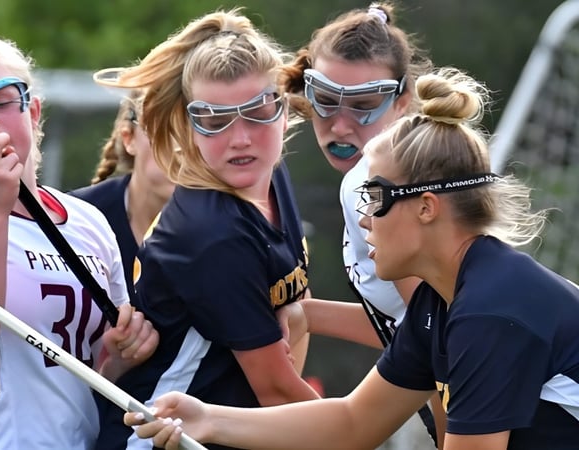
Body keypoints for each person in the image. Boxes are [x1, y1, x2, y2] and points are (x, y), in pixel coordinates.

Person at [124, 67, 579, 450]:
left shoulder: (490, 312)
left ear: (426, 207)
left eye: (375, 196)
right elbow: (353, 422)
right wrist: (207, 419)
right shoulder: (440, 303)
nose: (364, 219)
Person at [0, 35, 158, 449]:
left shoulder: (89, 222)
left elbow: (92, 374)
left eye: (1, 100)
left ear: (32, 110)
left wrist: (123, 358)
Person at [92, 9, 320, 450]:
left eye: (257, 111)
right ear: (188, 125)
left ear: (284, 110)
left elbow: (295, 314)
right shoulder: (209, 234)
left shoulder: (268, 174)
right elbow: (275, 390)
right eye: (214, 120)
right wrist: (360, 428)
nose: (240, 138)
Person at [275, 3, 444, 446]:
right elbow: (408, 322)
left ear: (402, 101)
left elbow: (444, 343)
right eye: (326, 101)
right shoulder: (414, 165)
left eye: (365, 106)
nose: (341, 125)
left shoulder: (369, 182)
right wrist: (307, 313)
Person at [70, 89, 175, 301]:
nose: (184, 147)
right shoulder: (75, 220)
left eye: (198, 127)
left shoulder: (232, 226)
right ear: (129, 138)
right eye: (166, 128)